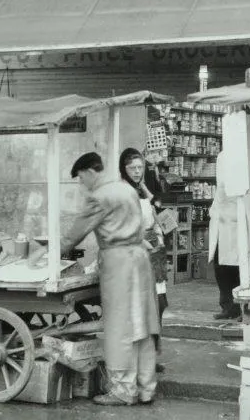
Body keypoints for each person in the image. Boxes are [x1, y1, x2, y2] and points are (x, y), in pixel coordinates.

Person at [61, 151, 160, 406]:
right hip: (139, 258)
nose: (82, 184)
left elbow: (73, 237)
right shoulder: (125, 189)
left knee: (120, 327)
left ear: (90, 172)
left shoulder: (99, 197)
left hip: (118, 263)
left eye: (81, 178)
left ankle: (123, 390)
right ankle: (146, 388)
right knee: (143, 325)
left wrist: (44, 256)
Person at [118, 147, 169, 371]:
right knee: (144, 308)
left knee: (160, 304)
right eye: (133, 168)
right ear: (124, 169)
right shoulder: (122, 192)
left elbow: (158, 207)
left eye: (140, 168)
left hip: (154, 252)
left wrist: (146, 189)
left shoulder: (140, 189)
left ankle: (149, 355)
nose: (137, 172)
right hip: (136, 254)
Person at [208, 148, 241, 320]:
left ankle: (242, 306)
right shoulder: (223, 156)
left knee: (239, 266)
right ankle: (228, 306)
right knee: (221, 266)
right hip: (221, 220)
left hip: (237, 220)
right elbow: (220, 188)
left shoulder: (243, 156)